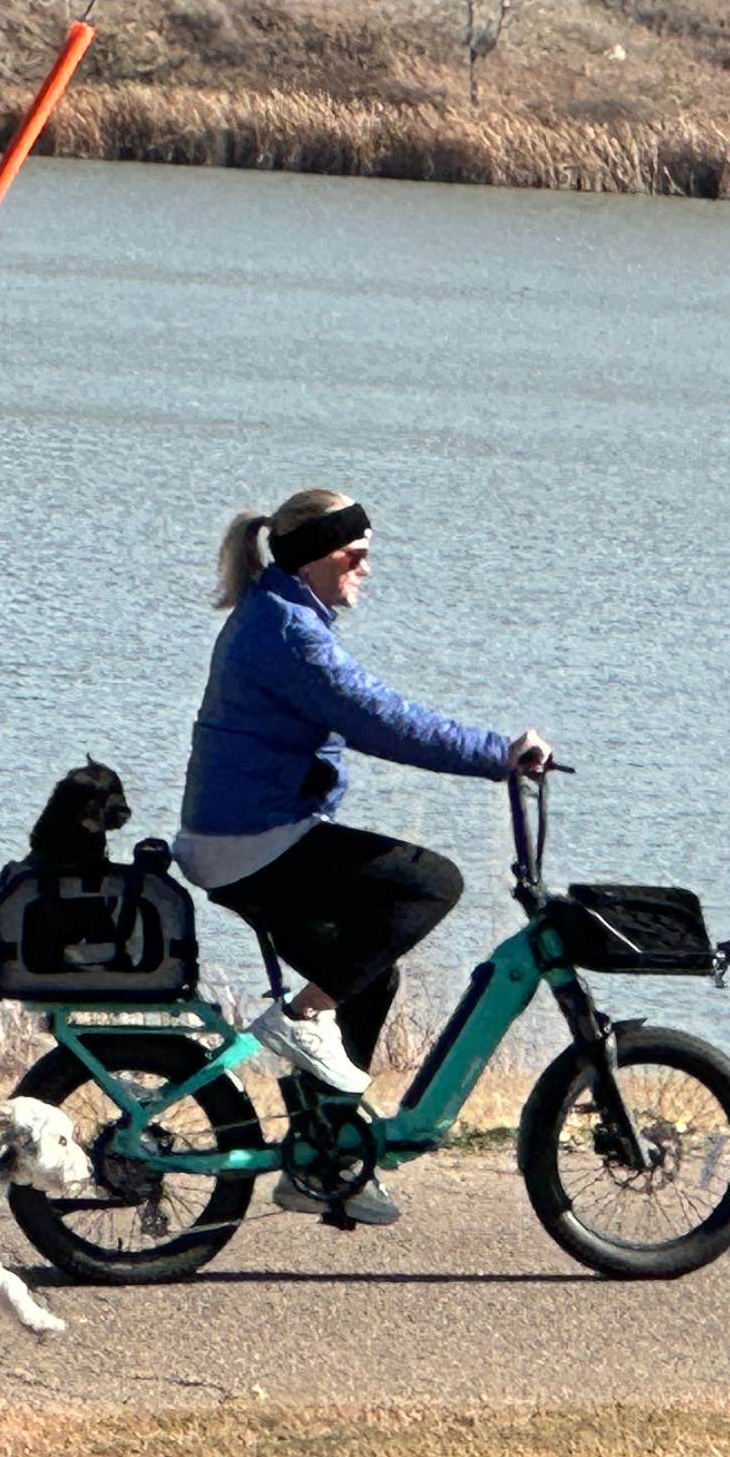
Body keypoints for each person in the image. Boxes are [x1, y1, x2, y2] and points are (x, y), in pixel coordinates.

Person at [175, 488, 549, 1228]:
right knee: (432, 884)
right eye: (356, 556)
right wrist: (498, 756)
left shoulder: (282, 614)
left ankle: (324, 1160)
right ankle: (304, 1018)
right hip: (256, 843)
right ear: (315, 557)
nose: (366, 570)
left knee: (370, 971)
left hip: (249, 838)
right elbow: (380, 719)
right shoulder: (289, 633)